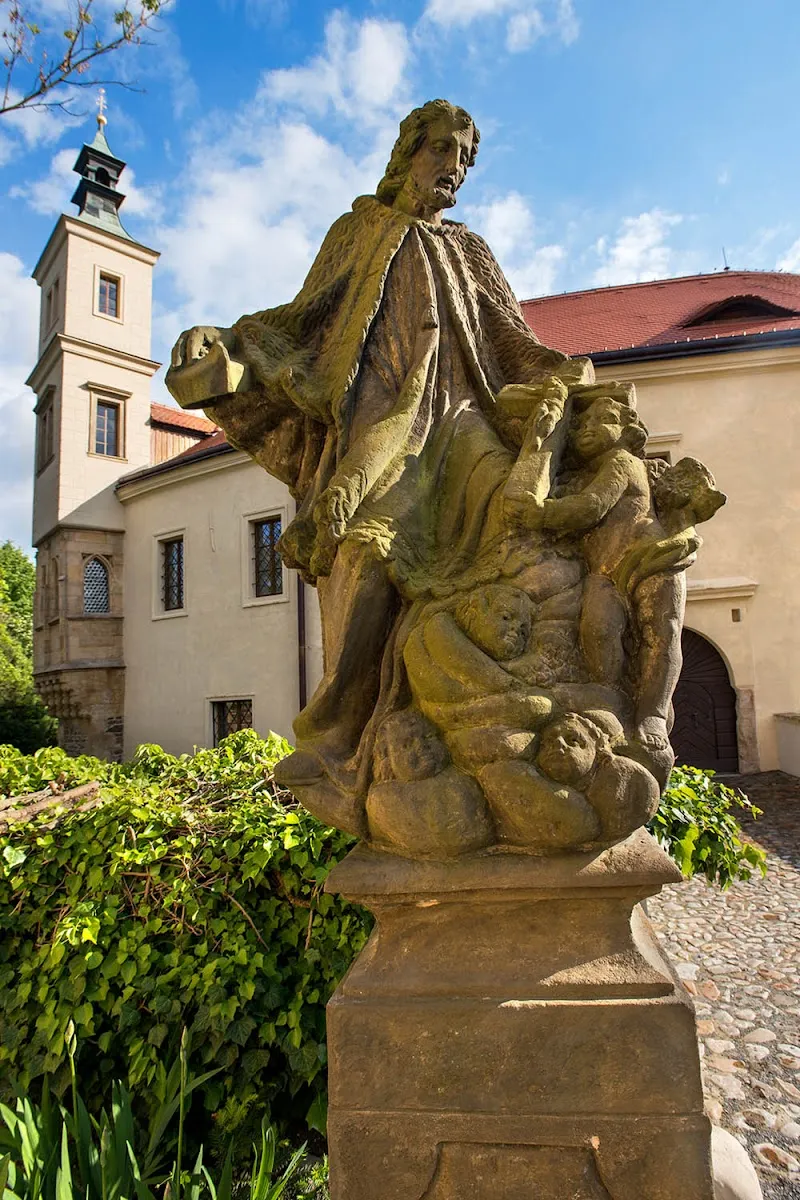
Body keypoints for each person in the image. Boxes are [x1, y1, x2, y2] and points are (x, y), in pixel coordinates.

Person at [167, 99, 593, 831]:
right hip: (380, 424)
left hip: (463, 425)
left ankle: (533, 713)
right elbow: (300, 322)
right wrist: (225, 344)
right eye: (445, 151)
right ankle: (338, 742)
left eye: (466, 159)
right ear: (408, 152)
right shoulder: (358, 231)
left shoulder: (471, 252)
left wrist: (575, 381)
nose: (455, 170)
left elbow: (516, 345)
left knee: (522, 536)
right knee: (364, 558)